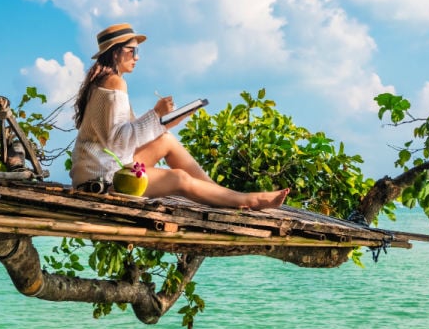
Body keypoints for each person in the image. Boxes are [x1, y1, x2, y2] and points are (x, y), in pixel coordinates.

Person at [70, 23, 289, 210]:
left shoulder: (104, 80)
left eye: (137, 52)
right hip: (101, 179)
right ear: (115, 52)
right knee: (178, 178)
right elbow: (118, 140)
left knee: (165, 140)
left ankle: (220, 194)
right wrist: (156, 114)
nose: (136, 57)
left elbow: (118, 139)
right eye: (131, 51)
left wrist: (164, 123)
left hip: (108, 166)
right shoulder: (114, 82)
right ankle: (248, 199)